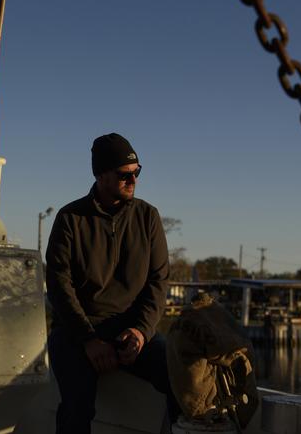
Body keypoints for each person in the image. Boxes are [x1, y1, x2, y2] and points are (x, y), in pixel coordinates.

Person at [45, 132, 179, 434]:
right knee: (77, 406)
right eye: (124, 175)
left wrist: (141, 332)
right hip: (77, 332)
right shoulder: (70, 218)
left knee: (181, 377)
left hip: (131, 331)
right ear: (101, 175)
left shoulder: (148, 217)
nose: (133, 180)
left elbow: (159, 281)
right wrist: (88, 340)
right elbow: (58, 285)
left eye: (137, 173)